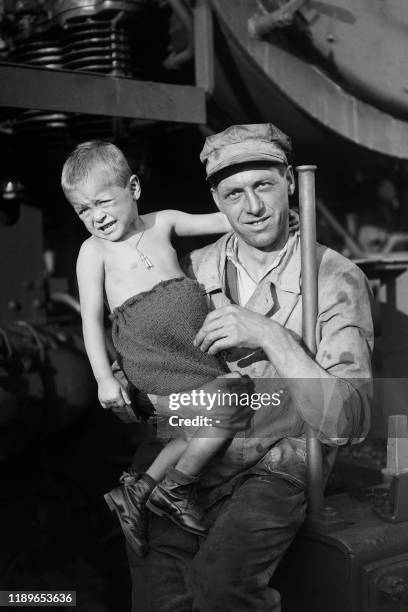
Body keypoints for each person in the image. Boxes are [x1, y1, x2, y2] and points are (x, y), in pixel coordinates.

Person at [122, 123, 374, 612]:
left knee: (221, 588)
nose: (252, 207)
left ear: (290, 183)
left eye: (264, 185)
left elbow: (351, 420)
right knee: (158, 592)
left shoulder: (335, 277)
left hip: (279, 461)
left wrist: (269, 333)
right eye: (234, 192)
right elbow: (153, 369)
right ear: (216, 200)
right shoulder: (191, 270)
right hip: (193, 458)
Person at [61, 141, 256, 558]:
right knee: (231, 405)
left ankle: (136, 491)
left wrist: (260, 215)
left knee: (193, 428)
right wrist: (101, 379)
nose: (96, 216)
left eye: (102, 202)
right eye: (82, 210)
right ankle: (176, 488)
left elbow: (224, 220)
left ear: (133, 187)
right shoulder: (93, 251)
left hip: (191, 355)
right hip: (151, 360)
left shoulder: (163, 222)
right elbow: (90, 318)